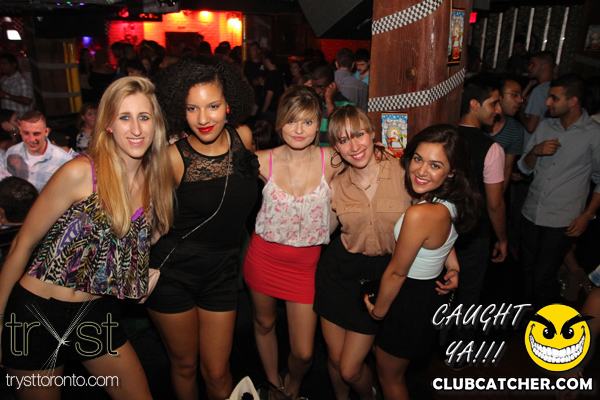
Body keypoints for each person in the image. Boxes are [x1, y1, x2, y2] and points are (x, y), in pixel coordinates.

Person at [0, 76, 174, 399]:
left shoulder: (155, 183)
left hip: (94, 314)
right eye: (125, 117)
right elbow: (21, 245)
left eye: (144, 117)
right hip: (36, 314)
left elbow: (113, 256)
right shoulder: (81, 172)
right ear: (108, 124)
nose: (136, 129)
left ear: (156, 124)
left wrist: (142, 278)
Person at [145, 55, 258, 400]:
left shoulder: (244, 137)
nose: (203, 119)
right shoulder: (171, 158)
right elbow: (149, 221)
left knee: (218, 372)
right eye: (192, 109)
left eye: (213, 106)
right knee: (185, 366)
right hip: (173, 274)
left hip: (222, 271)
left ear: (229, 104)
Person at [364, 124, 481, 400]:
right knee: (392, 368)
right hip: (426, 297)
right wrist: (453, 266)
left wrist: (378, 313)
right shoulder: (451, 200)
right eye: (418, 159)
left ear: (452, 171)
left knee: (390, 378)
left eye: (435, 165)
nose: (421, 170)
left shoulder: (423, 214)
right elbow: (443, 239)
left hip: (409, 299)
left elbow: (397, 273)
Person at [243, 85, 339, 400]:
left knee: (304, 352)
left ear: (318, 124)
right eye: (292, 121)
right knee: (264, 324)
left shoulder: (331, 159)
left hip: (306, 268)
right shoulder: (260, 160)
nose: (299, 130)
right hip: (263, 259)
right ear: (280, 123)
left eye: (308, 122)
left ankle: (293, 383)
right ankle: (275, 385)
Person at [314, 105, 413, 400]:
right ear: (336, 147)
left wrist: (452, 262)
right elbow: (322, 232)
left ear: (372, 134)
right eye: (344, 140)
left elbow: (433, 220)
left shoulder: (403, 173)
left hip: (379, 280)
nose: (354, 146)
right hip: (337, 276)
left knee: (349, 368)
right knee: (335, 360)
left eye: (359, 135)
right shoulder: (336, 185)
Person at [517, 73, 600, 309]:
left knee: (543, 277)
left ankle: (550, 324)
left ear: (573, 101)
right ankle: (526, 318)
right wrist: (536, 151)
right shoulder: (545, 126)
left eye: (554, 98)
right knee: (526, 271)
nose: (547, 103)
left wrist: (587, 215)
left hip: (562, 219)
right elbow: (524, 167)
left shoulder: (594, 134)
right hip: (531, 213)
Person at [6, 110, 74, 192]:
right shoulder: (12, 152)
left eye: (36, 134)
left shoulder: (64, 160)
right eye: (26, 133)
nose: (31, 139)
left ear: (46, 132)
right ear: (20, 130)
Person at [0, 53, 34, 117]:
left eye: (5, 64)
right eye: (1, 64)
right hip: (8, 118)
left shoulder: (21, 81)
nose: (1, 66)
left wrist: (6, 96)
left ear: (13, 65)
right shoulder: (3, 79)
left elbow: (27, 101)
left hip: (20, 118)